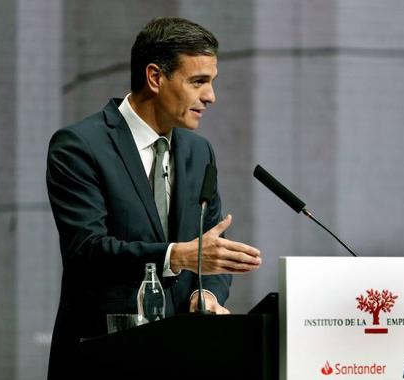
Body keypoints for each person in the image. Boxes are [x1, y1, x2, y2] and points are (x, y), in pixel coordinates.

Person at [45, 17, 261, 379]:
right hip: (103, 357)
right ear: (155, 78)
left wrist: (206, 295)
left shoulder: (198, 151)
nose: (211, 96)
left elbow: (209, 246)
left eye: (211, 82)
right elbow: (87, 250)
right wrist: (176, 255)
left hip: (182, 358)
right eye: (198, 82)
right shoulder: (79, 146)